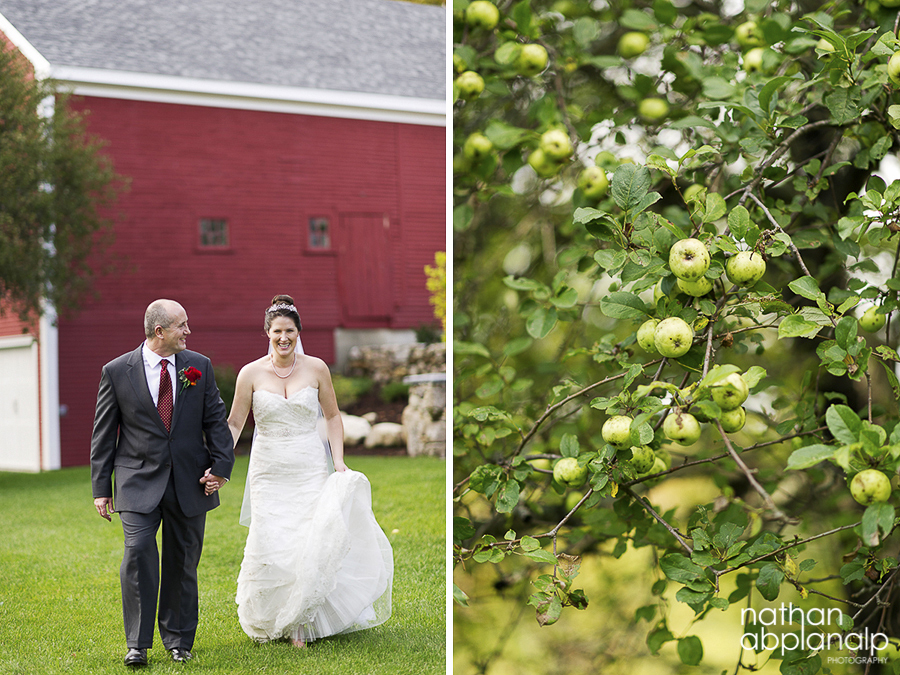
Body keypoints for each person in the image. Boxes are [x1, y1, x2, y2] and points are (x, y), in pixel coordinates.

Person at [227, 295, 393, 647]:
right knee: (272, 537)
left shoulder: (316, 368)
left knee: (306, 537)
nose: (283, 337)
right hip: (268, 469)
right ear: (267, 333)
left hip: (307, 465)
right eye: (276, 332)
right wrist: (219, 461)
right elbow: (235, 423)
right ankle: (275, 614)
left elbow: (332, 416)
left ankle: (300, 622)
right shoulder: (250, 373)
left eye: (289, 331)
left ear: (298, 332)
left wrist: (338, 461)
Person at [90, 299, 235, 667]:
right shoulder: (117, 371)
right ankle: (137, 644)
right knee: (138, 552)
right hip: (137, 479)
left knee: (183, 560)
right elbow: (104, 433)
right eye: (181, 325)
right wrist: (101, 487)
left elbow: (216, 421)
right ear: (160, 331)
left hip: (190, 480)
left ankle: (179, 640)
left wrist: (220, 467)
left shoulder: (198, 367)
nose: (189, 332)